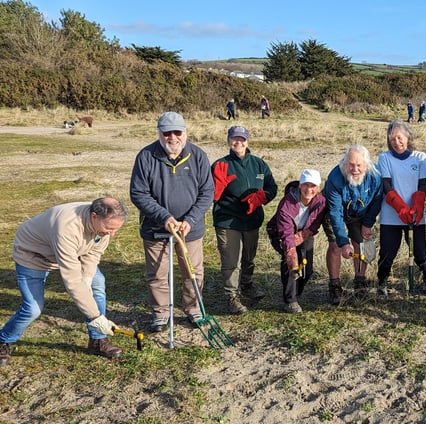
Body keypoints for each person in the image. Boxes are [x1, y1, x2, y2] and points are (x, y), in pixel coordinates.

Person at [0, 198, 128, 366]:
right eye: (109, 228)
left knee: (97, 283)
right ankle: (4, 340)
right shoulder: (67, 227)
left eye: (116, 229)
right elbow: (72, 280)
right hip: (33, 255)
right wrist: (96, 316)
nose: (112, 234)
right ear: (94, 216)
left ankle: (97, 340)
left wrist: (88, 278)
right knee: (33, 309)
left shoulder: (103, 225)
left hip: (71, 253)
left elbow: (94, 252)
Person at [129, 111, 214, 332]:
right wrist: (164, 217)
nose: (173, 138)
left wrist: (191, 219)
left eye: (178, 132)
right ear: (160, 133)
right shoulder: (146, 156)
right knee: (157, 274)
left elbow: (207, 192)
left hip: (189, 229)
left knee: (192, 271)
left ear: (185, 133)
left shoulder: (198, 156)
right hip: (156, 228)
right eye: (167, 133)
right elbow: (138, 193)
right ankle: (161, 314)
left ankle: (194, 309)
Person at [211, 125, 278, 314]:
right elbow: (209, 195)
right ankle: (231, 296)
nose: (238, 142)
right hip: (228, 220)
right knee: (232, 260)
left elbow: (272, 187)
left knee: (249, 258)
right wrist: (216, 188)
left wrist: (262, 197)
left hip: (252, 219)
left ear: (248, 141)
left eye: (242, 139)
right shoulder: (220, 165)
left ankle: (247, 284)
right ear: (228, 141)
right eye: (234, 139)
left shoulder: (259, 164)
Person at [376, 119, 426, 296]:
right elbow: (386, 184)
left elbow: (423, 184)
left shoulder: (420, 157)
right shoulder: (384, 158)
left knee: (419, 251)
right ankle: (382, 282)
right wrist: (400, 207)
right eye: (392, 139)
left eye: (400, 138)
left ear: (408, 137)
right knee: (387, 253)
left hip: (416, 214)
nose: (397, 142)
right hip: (391, 215)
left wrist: (417, 205)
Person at [323, 144, 383, 304]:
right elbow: (335, 213)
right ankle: (334, 285)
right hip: (336, 212)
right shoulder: (335, 178)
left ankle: (360, 282)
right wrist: (343, 242)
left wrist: (368, 224)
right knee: (336, 245)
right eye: (351, 165)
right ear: (345, 163)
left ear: (366, 165)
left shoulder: (375, 176)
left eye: (359, 165)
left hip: (361, 214)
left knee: (361, 243)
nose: (355, 169)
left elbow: (377, 201)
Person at [267, 169, 327, 313]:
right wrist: (292, 257)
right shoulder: (286, 204)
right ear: (300, 185)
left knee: (307, 269)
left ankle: (297, 290)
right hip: (281, 234)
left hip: (305, 233)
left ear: (318, 188)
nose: (309, 189)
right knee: (291, 264)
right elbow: (286, 235)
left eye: (313, 186)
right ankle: (290, 300)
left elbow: (315, 224)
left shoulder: (321, 202)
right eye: (306, 185)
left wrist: (303, 235)